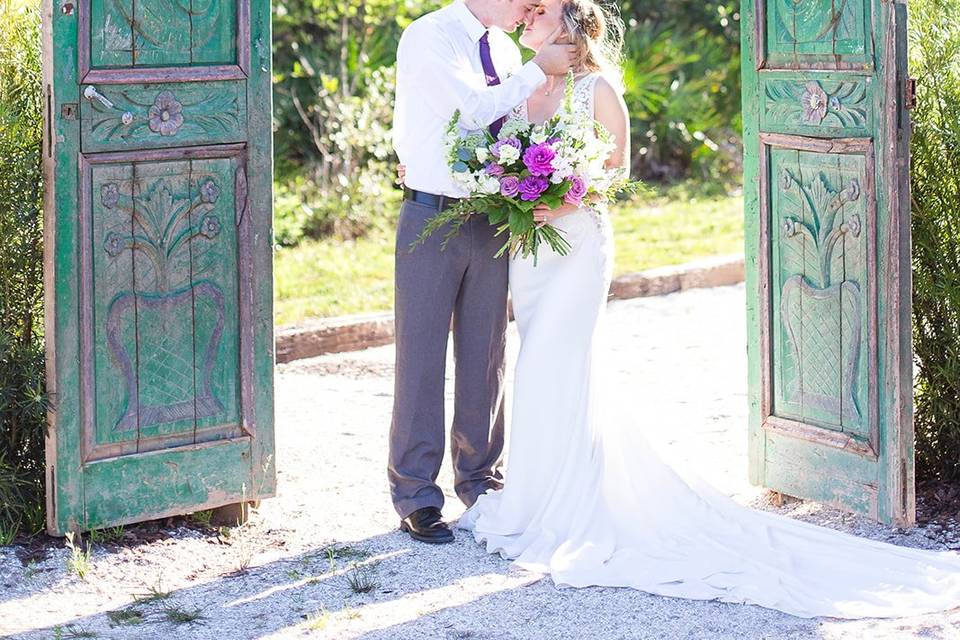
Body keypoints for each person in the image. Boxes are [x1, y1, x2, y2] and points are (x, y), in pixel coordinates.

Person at [453, 0, 960, 620]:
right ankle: (535, 497)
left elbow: (617, 169)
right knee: (537, 365)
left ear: (568, 23)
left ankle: (569, 505)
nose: (526, 17)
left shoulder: (598, 89)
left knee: (559, 363)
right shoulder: (520, 81)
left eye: (538, 11)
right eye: (526, 12)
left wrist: (565, 196)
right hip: (530, 254)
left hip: (577, 244)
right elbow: (485, 145)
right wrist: (506, 186)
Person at [389, 0, 577, 545]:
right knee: (420, 355)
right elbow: (470, 110)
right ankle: (417, 495)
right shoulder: (430, 36)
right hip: (432, 214)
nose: (532, 11)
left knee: (485, 353)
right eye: (529, 2)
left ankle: (480, 480)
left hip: (492, 217)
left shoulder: (502, 48)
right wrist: (539, 69)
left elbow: (508, 127)